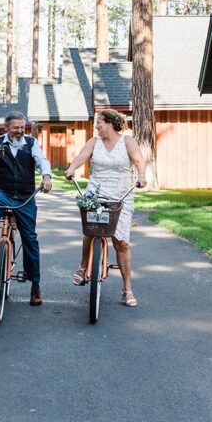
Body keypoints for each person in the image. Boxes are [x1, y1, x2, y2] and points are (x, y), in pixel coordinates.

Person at [0, 111, 52, 306]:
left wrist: (46, 177)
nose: (20, 131)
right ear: (7, 128)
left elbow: (42, 161)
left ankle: (35, 285)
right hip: (2, 192)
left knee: (30, 238)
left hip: (25, 195)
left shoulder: (31, 143)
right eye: (16, 127)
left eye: (22, 127)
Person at [64, 109, 147, 307]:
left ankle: (127, 289)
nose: (97, 128)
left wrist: (142, 176)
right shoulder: (94, 142)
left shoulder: (127, 141)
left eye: (99, 124)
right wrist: (71, 168)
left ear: (109, 123)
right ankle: (83, 267)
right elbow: (81, 157)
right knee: (90, 231)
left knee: (121, 242)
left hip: (121, 195)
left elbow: (138, 161)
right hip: (95, 193)